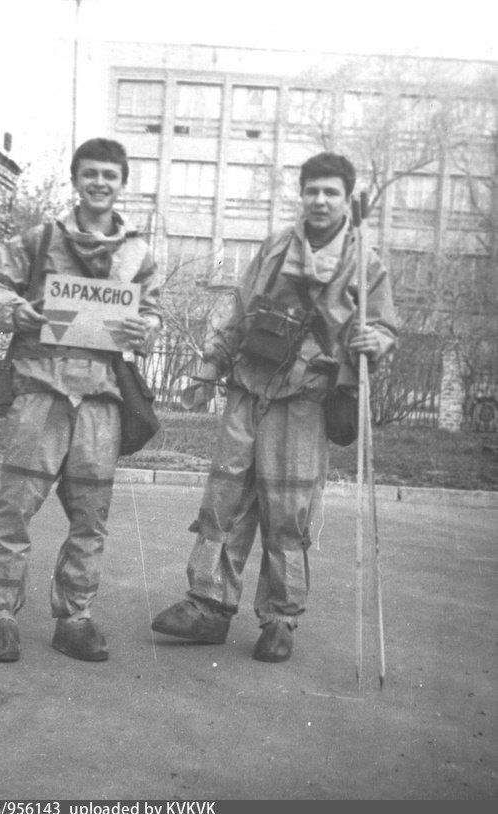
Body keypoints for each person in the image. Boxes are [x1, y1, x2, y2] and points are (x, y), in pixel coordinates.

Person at [151, 152, 397, 663]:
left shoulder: (365, 262)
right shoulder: (275, 247)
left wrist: (377, 340)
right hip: (249, 386)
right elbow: (239, 311)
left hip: (305, 399)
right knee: (225, 497)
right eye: (313, 191)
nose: (320, 200)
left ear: (346, 199)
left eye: (331, 192)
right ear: (301, 195)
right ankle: (209, 606)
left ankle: (280, 619)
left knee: (289, 510)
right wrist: (207, 370)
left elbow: (383, 329)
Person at [0, 138, 161, 663]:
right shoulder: (41, 239)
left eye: (110, 175)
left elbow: (153, 312)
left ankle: (75, 617)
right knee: (15, 511)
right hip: (42, 390)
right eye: (90, 173)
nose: (100, 182)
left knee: (90, 518)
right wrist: (17, 310)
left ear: (122, 184)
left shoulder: (138, 254)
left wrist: (144, 329)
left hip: (101, 398)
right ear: (76, 180)